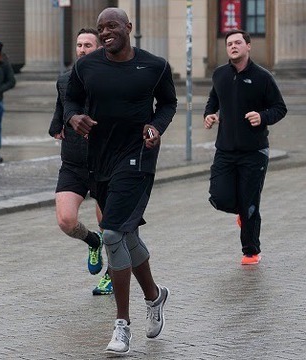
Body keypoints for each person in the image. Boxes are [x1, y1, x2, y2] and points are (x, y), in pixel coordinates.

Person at [63, 8, 177, 355]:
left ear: (128, 27)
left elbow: (168, 104)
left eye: (111, 26)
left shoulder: (154, 66)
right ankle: (155, 296)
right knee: (126, 233)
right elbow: (70, 100)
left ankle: (122, 325)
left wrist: (156, 127)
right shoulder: (86, 66)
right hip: (100, 159)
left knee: (111, 233)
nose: (105, 32)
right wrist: (73, 118)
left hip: (138, 157)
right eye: (101, 28)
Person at [204, 29, 287, 266]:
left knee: (250, 203)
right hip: (225, 150)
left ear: (248, 46)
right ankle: (242, 213)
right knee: (219, 197)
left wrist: (262, 116)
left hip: (254, 152)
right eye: (229, 43)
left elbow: (280, 108)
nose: (233, 46)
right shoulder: (219, 74)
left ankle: (251, 251)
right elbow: (213, 100)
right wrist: (209, 114)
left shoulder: (263, 77)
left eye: (238, 42)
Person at [48, 28, 112, 296]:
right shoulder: (64, 81)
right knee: (65, 220)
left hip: (104, 162)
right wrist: (55, 127)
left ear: (98, 49)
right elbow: (60, 110)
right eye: (79, 45)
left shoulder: (111, 81)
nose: (82, 49)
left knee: (109, 223)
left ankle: (111, 274)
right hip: (73, 163)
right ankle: (91, 241)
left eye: (88, 45)